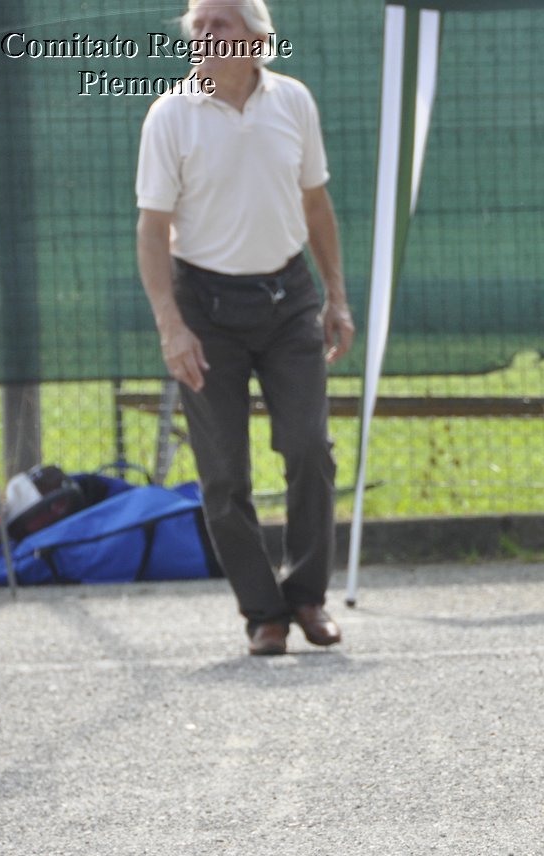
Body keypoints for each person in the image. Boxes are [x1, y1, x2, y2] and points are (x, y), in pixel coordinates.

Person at [136, 0, 354, 656]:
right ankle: (264, 612)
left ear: (258, 37)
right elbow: (152, 228)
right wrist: (172, 325)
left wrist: (335, 297)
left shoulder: (294, 102)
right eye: (198, 26)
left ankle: (309, 596)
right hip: (203, 306)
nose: (205, 35)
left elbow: (316, 204)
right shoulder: (169, 114)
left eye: (220, 23)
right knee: (224, 472)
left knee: (308, 446)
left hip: (289, 297)